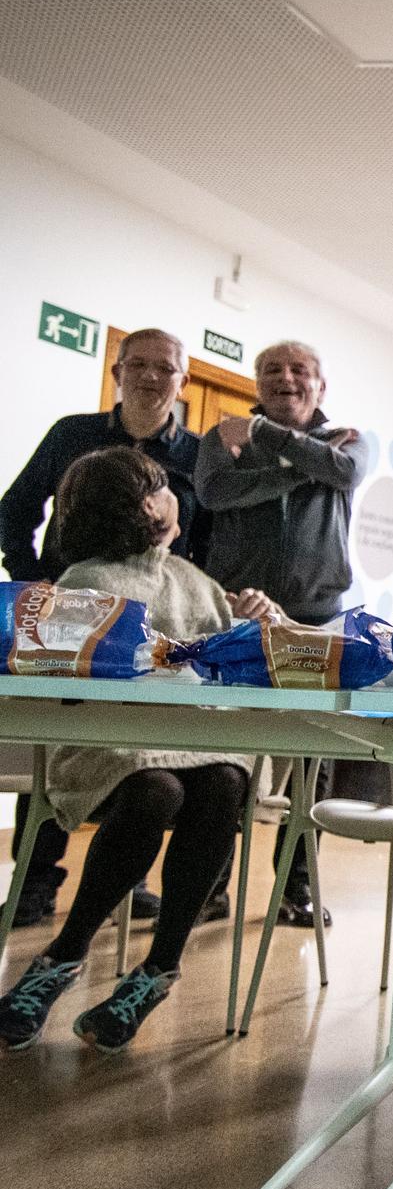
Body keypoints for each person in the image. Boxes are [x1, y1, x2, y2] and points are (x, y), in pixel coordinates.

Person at [0, 448, 278, 1051]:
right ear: (149, 504)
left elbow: (244, 661)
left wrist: (263, 617)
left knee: (227, 781)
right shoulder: (84, 581)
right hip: (107, 749)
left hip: (190, 747)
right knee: (158, 786)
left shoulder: (195, 581)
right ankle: (63, 955)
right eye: (163, 487)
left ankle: (158, 969)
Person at [1, 328, 206, 928]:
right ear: (116, 370)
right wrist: (36, 579)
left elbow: (210, 538)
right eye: (136, 364)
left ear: (182, 380)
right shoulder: (73, 434)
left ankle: (127, 883)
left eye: (163, 368)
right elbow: (14, 512)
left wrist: (195, 597)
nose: (149, 376)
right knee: (59, 739)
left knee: (139, 744)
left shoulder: (198, 456)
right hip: (67, 621)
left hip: (154, 625)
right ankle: (34, 885)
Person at [196, 339, 365, 930]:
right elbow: (215, 493)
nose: (286, 378)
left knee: (309, 760)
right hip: (237, 617)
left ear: (321, 386)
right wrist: (301, 464)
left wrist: (265, 442)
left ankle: (297, 889)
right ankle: (208, 888)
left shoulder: (349, 439)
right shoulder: (218, 442)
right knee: (222, 755)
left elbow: (342, 470)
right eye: (272, 370)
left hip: (317, 620)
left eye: (300, 371)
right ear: (257, 381)